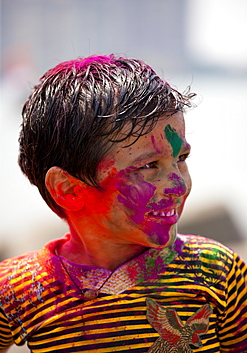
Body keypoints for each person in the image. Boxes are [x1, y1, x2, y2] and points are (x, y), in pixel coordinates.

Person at [0, 55, 246, 353]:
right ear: (69, 189)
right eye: (148, 166)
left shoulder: (216, 270)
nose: (179, 186)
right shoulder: (17, 290)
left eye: (181, 159)